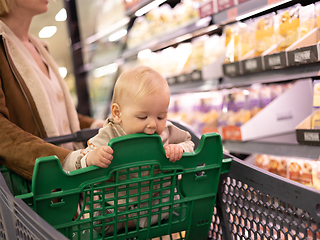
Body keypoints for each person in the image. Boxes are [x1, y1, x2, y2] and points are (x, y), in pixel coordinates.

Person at [62, 65, 195, 234]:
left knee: (173, 201)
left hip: (156, 201)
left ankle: (135, 222)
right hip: (117, 206)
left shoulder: (167, 131)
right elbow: (72, 163)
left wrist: (180, 149)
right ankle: (128, 221)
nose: (153, 124)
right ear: (118, 113)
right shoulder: (109, 135)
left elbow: (190, 144)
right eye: (142, 117)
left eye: (161, 116)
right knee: (101, 220)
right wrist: (91, 158)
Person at [0, 0, 103, 181]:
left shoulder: (39, 47)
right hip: (37, 194)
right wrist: (65, 161)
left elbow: (59, 116)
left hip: (74, 186)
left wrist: (97, 126)